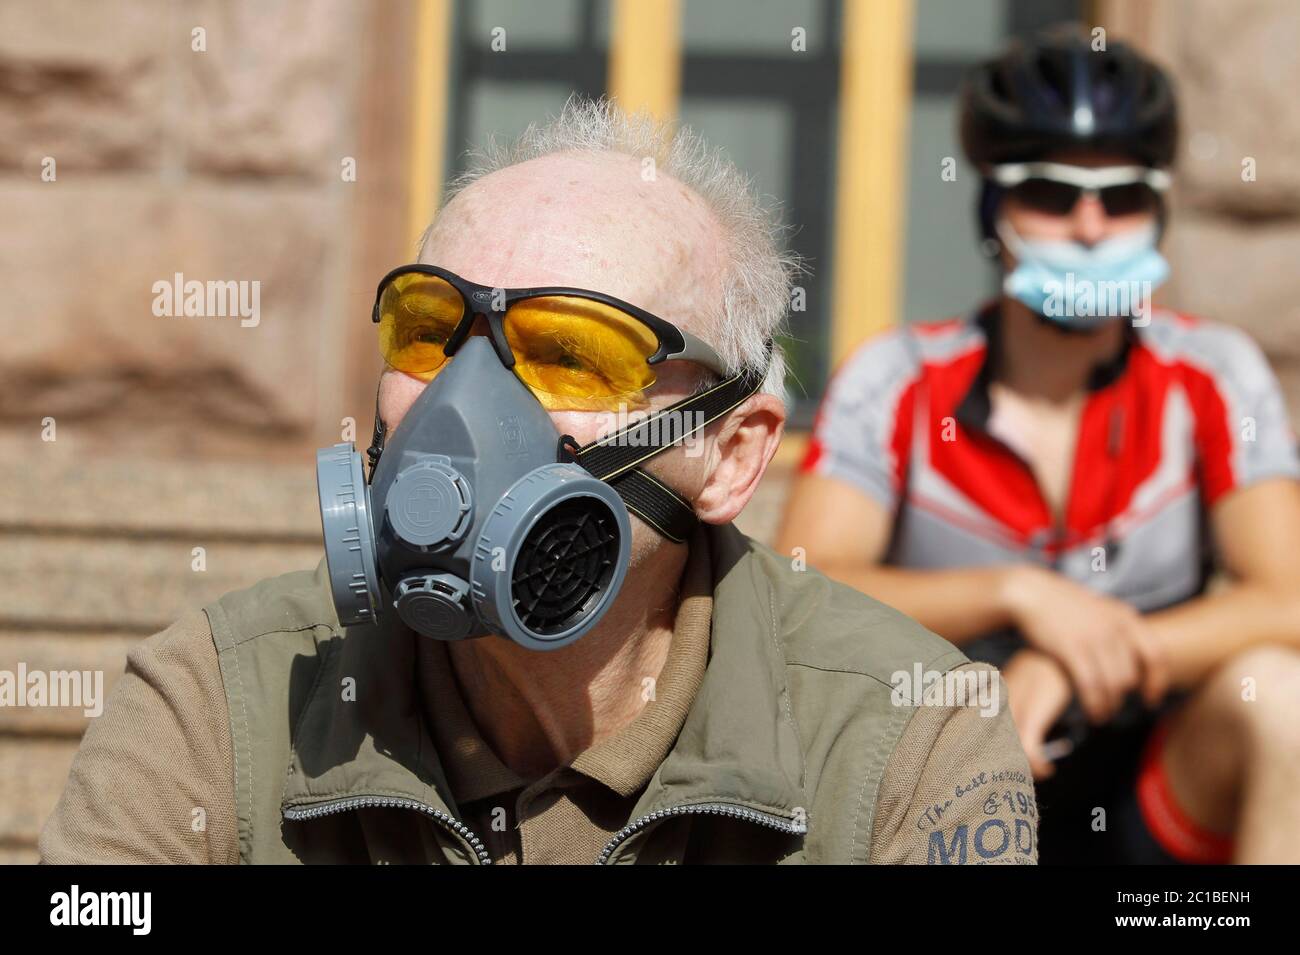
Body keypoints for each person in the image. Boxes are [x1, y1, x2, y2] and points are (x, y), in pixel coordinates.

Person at [41, 98, 1037, 865]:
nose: (463, 402)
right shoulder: (221, 703)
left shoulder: (910, 740)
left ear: (731, 455)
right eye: (430, 333)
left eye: (568, 353)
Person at [779, 26, 1300, 865]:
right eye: (1053, 195)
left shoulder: (1213, 371)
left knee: (1285, 698)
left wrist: (1083, 652)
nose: (1091, 227)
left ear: (1159, 209)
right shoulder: (899, 376)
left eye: (1123, 195)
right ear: (994, 208)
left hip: (1152, 792)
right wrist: (1019, 595)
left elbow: (1289, 599)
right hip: (939, 784)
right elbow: (800, 594)